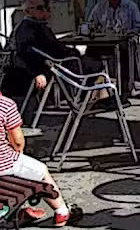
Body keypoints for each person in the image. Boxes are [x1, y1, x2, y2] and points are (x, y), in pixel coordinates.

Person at [0, 92, 81, 226]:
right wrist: (18, 152)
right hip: (3, 163)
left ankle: (18, 211)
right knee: (41, 170)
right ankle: (62, 211)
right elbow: (18, 141)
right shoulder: (5, 105)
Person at [14, 0, 105, 95]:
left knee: (89, 57)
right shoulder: (31, 30)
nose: (44, 10)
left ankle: (87, 95)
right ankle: (84, 95)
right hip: (57, 67)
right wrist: (38, 73)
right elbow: (28, 54)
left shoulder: (33, 27)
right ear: (27, 11)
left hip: (56, 64)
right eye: (40, 8)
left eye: (46, 7)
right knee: (97, 63)